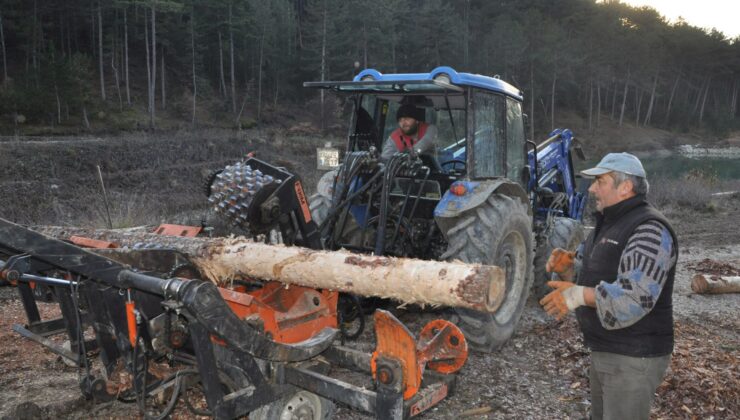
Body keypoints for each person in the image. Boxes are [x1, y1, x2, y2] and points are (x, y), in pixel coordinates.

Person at [539, 152, 678, 420]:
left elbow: (635, 298)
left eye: (600, 181)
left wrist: (576, 295)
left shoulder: (649, 230)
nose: (591, 189)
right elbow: (595, 274)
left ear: (625, 187)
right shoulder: (606, 224)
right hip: (607, 349)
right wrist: (569, 266)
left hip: (634, 357)